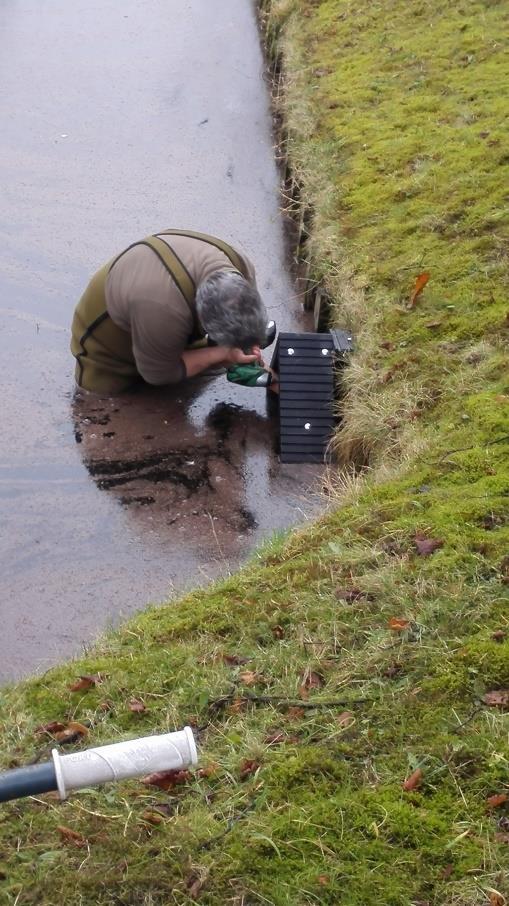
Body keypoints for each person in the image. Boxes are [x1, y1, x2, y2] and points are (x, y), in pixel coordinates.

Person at [70, 228, 269, 394]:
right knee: (101, 408)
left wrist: (248, 345)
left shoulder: (240, 267)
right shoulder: (162, 308)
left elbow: (239, 320)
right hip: (107, 345)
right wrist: (222, 355)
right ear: (200, 317)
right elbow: (158, 373)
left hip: (159, 319)